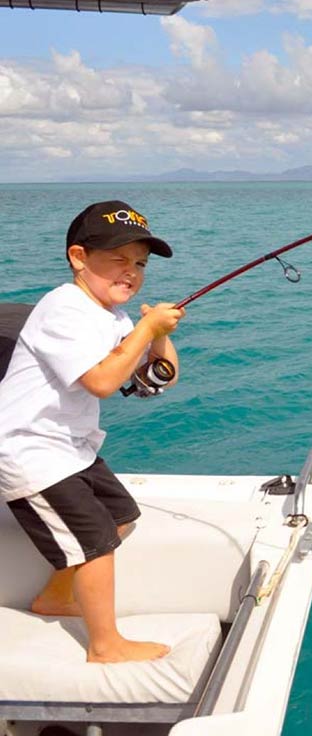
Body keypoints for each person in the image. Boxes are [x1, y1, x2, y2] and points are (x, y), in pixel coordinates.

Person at [0, 200, 184, 663]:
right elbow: (102, 382)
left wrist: (157, 334)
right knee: (97, 540)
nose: (132, 272)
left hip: (70, 448)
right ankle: (105, 645)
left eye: (140, 263)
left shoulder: (115, 319)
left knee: (121, 515)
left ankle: (56, 598)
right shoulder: (63, 307)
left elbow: (161, 378)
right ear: (79, 258)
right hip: (28, 448)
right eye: (118, 259)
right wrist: (144, 329)